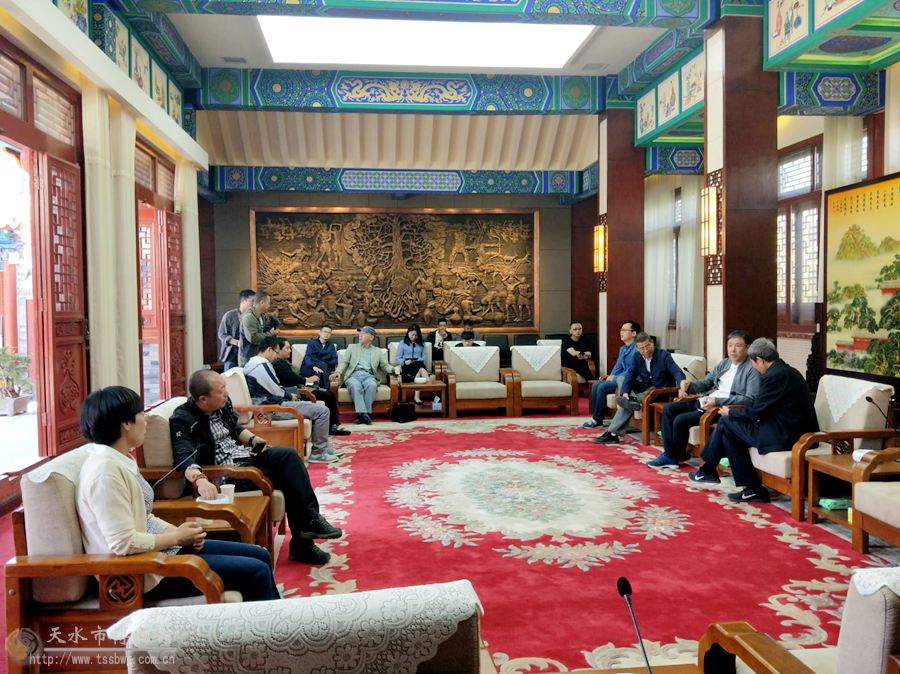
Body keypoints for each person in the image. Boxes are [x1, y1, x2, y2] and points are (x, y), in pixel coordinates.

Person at [77, 386, 280, 601]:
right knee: (256, 571)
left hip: (159, 553)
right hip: (141, 573)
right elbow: (123, 543)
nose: (145, 422)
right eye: (141, 415)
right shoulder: (105, 475)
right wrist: (177, 537)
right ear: (126, 423)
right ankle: (266, 623)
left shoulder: (120, 459)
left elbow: (144, 518)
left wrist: (182, 534)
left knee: (260, 555)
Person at [171, 370, 342, 565]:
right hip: (226, 474)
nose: (227, 393)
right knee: (287, 477)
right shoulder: (183, 419)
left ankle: (310, 522)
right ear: (203, 399)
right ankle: (303, 543)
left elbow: (234, 428)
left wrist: (253, 439)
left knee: (288, 456)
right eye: (221, 390)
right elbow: (183, 456)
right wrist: (200, 480)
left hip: (243, 456)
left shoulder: (221, 405)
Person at [688, 338, 819, 503]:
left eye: (753, 363)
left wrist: (730, 412)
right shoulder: (786, 371)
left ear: (760, 360)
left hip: (789, 435)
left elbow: (755, 412)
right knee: (729, 434)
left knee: (726, 422)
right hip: (786, 428)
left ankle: (708, 469)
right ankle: (751, 488)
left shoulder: (774, 376)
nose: (754, 367)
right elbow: (762, 408)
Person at [646, 330, 760, 468]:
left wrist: (716, 401)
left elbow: (749, 399)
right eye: (730, 345)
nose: (733, 350)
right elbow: (707, 382)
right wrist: (690, 385)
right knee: (669, 409)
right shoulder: (725, 363)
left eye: (738, 345)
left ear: (747, 347)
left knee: (681, 420)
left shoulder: (752, 369)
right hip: (705, 401)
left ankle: (673, 456)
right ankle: (673, 455)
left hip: (720, 408)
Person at [244, 337, 342, 463]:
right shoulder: (260, 366)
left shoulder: (254, 363)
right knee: (322, 411)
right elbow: (276, 390)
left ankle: (323, 447)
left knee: (318, 408)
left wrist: (289, 396)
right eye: (276, 352)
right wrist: (290, 396)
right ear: (269, 350)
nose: (276, 356)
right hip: (272, 409)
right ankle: (318, 453)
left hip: (271, 405)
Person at [594, 332, 684, 445]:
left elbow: (677, 371)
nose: (645, 351)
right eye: (641, 348)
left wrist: (681, 385)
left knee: (627, 403)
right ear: (637, 348)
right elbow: (631, 374)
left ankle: (612, 434)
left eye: (647, 346)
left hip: (658, 390)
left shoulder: (663, 355)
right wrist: (625, 392)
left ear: (652, 342)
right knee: (621, 379)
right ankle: (631, 400)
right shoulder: (637, 356)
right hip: (644, 387)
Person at [272, 337, 350, 436]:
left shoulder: (282, 362)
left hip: (298, 389)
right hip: (295, 392)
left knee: (328, 393)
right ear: (278, 349)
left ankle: (332, 425)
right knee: (329, 396)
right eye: (287, 348)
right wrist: (307, 380)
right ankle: (333, 426)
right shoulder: (279, 363)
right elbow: (292, 377)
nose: (290, 351)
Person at [329, 326, 397, 425]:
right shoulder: (352, 347)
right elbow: (344, 362)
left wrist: (394, 369)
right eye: (360, 333)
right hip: (354, 375)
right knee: (355, 386)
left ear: (371, 337)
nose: (360, 335)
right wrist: (338, 372)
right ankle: (365, 414)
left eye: (364, 333)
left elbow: (384, 366)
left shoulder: (377, 351)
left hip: (369, 376)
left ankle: (362, 415)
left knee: (372, 385)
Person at [584, 320, 640, 429]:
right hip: (621, 379)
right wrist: (611, 376)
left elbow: (632, 370)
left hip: (631, 381)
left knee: (602, 387)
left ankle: (598, 420)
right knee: (596, 385)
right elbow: (618, 366)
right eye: (621, 330)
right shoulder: (623, 349)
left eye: (625, 330)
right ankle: (596, 418)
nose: (621, 332)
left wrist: (615, 378)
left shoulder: (637, 349)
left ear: (634, 333)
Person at [217, 289, 254, 371]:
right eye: (252, 301)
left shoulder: (253, 317)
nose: (254, 304)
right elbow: (222, 334)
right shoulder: (230, 315)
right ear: (243, 301)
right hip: (232, 355)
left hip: (247, 356)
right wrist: (236, 342)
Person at [239, 291, 278, 366]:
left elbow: (261, 332)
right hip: (248, 359)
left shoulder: (261, 316)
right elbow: (253, 338)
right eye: (268, 303)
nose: (269, 306)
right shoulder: (249, 317)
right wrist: (270, 333)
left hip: (257, 357)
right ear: (262, 302)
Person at [396, 323, 429, 404]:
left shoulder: (422, 343)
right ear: (408, 333)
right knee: (420, 368)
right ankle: (430, 384)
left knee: (419, 369)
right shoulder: (402, 343)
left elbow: (424, 358)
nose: (414, 337)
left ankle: (416, 397)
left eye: (416, 335)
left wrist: (417, 362)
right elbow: (397, 359)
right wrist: (404, 361)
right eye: (412, 335)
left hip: (418, 364)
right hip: (407, 366)